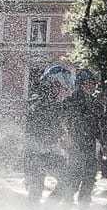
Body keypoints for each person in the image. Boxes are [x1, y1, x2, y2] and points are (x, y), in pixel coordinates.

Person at [22, 65, 73, 203]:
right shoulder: (39, 105)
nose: (64, 91)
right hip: (37, 154)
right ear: (51, 85)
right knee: (36, 190)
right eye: (60, 86)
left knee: (67, 181)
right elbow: (35, 132)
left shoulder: (52, 104)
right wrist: (62, 137)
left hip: (49, 153)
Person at [59, 69, 105, 206]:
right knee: (74, 177)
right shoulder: (70, 101)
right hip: (74, 145)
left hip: (89, 145)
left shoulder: (93, 103)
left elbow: (96, 125)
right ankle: (66, 205)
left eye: (93, 84)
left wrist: (103, 142)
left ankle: (84, 204)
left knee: (90, 176)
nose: (91, 87)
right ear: (80, 84)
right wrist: (65, 136)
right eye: (87, 84)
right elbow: (62, 121)